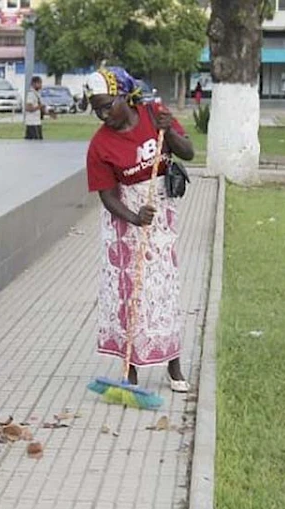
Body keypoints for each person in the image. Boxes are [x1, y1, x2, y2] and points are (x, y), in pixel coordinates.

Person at [84, 67, 195, 392]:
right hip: (125, 224)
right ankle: (129, 369)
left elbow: (187, 151)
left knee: (164, 291)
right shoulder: (100, 146)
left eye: (108, 105)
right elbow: (106, 195)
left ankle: (173, 365)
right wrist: (133, 217)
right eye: (97, 110)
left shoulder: (153, 114)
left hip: (160, 218)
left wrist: (169, 132)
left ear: (126, 96)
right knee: (131, 294)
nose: (104, 115)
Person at [25, 75, 54, 140]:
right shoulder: (31, 94)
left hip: (37, 122)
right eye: (39, 83)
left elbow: (39, 107)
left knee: (39, 141)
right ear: (33, 84)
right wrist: (40, 106)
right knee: (36, 142)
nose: (41, 85)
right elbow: (28, 108)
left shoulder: (37, 93)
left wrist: (49, 113)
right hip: (32, 123)